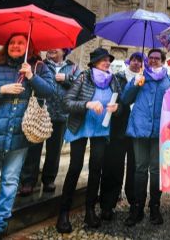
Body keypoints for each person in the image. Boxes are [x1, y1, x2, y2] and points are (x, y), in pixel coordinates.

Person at [0, 33, 54, 240]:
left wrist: (32, 76)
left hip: (19, 132)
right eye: (12, 43)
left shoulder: (39, 67)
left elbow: (50, 92)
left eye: (20, 43)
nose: (15, 46)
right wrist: (1, 89)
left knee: (10, 180)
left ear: (29, 48)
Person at [56, 47, 122, 233]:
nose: (107, 62)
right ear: (94, 62)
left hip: (101, 130)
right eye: (103, 59)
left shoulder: (113, 80)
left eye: (108, 60)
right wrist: (87, 104)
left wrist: (117, 108)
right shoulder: (83, 77)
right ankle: (64, 213)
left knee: (96, 169)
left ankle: (90, 211)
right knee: (75, 168)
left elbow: (121, 104)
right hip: (80, 128)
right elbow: (67, 102)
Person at [121, 48, 170, 226]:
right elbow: (125, 99)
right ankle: (137, 207)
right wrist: (134, 84)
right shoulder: (140, 77)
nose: (153, 60)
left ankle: (155, 206)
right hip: (139, 129)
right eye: (150, 58)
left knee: (155, 170)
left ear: (163, 60)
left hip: (160, 131)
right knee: (139, 168)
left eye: (156, 58)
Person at [19, 48, 78, 196]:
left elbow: (80, 85)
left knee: (54, 151)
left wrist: (67, 78)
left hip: (61, 114)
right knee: (33, 148)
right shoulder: (40, 64)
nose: (51, 50)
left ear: (64, 51)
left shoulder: (73, 68)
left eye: (56, 47)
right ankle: (28, 181)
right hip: (39, 111)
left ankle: (49, 179)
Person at [99, 52, 142, 221]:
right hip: (118, 127)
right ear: (128, 61)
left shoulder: (145, 79)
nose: (136, 62)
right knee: (112, 165)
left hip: (137, 129)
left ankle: (134, 203)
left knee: (134, 167)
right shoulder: (117, 78)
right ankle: (107, 204)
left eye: (140, 60)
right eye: (134, 59)